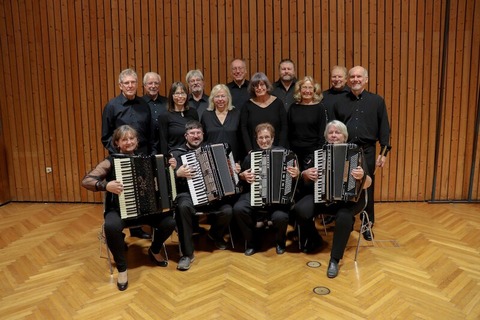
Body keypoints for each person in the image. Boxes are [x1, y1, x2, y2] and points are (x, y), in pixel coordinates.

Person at [82, 125, 176, 291]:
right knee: (111, 226)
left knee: (168, 222)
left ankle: (154, 250)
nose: (129, 142)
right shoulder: (110, 162)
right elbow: (87, 181)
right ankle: (122, 268)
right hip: (118, 210)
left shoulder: (146, 160)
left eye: (132, 138)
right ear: (117, 143)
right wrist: (105, 185)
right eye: (124, 139)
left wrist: (171, 168)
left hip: (145, 210)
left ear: (137, 141)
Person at [293, 120, 372, 278]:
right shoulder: (318, 153)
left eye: (338, 133)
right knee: (300, 210)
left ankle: (334, 259)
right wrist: (305, 174)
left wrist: (362, 176)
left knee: (344, 217)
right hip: (324, 197)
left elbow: (368, 183)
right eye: (331, 132)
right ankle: (315, 238)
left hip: (350, 200)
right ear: (326, 136)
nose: (334, 135)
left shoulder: (356, 152)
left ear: (344, 136)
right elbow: (303, 176)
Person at [331, 66, 391, 241]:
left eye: (359, 76)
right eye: (352, 76)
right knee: (345, 185)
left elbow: (385, 128)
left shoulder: (377, 101)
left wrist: (384, 152)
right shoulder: (339, 102)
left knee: (366, 186)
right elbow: (334, 128)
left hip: (367, 150)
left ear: (366, 79)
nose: (355, 79)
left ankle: (366, 223)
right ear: (348, 80)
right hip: (345, 149)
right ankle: (346, 222)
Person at [101, 68, 158, 239]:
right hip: (121, 159)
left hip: (142, 157)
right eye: (126, 83)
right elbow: (106, 136)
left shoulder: (144, 105)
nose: (130, 85)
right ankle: (118, 230)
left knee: (141, 192)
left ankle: (137, 227)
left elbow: (150, 134)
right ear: (120, 85)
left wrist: (152, 154)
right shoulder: (112, 106)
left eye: (133, 82)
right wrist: (117, 157)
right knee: (124, 193)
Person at [171, 120, 234, 271]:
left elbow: (227, 168)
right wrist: (176, 173)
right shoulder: (177, 154)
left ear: (203, 135)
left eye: (198, 133)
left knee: (228, 210)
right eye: (192, 133)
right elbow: (166, 178)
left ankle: (214, 234)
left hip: (212, 192)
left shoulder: (213, 149)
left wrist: (233, 168)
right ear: (186, 136)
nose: (195, 136)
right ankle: (187, 254)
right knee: (182, 206)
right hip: (187, 193)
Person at [234, 123, 299, 256]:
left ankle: (280, 242)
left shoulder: (286, 155)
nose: (264, 141)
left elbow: (294, 180)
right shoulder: (251, 156)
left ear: (273, 138)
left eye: (267, 137)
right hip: (255, 194)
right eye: (261, 138)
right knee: (239, 208)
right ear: (256, 140)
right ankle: (252, 242)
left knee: (280, 217)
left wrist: (296, 174)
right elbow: (242, 177)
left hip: (277, 199)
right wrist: (242, 175)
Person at [240, 72, 288, 153]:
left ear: (267, 86)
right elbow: (243, 129)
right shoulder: (247, 105)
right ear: (253, 88)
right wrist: (249, 150)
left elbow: (284, 127)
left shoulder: (278, 103)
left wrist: (280, 148)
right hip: (255, 151)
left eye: (262, 84)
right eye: (255, 85)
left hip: (276, 149)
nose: (259, 88)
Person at [287, 76, 328, 170]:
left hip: (312, 153)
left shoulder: (320, 108)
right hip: (294, 152)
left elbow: (322, 134)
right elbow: (288, 130)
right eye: (304, 87)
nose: (307, 91)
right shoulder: (293, 107)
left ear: (314, 90)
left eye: (310, 88)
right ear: (299, 90)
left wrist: (315, 155)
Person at [201, 84, 243, 162]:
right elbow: (203, 139)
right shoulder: (206, 115)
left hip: (233, 160)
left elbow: (241, 139)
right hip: (212, 159)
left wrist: (240, 162)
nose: (220, 99)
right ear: (212, 99)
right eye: (217, 96)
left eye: (223, 96)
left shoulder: (236, 114)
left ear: (228, 98)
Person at [158, 82, 199, 155]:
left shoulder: (193, 112)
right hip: (174, 156)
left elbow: (198, 134)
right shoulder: (164, 116)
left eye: (183, 93)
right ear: (172, 96)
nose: (180, 96)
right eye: (177, 93)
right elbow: (163, 141)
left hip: (193, 155)